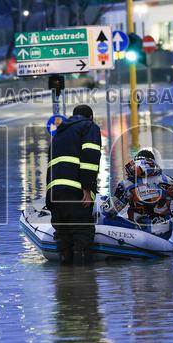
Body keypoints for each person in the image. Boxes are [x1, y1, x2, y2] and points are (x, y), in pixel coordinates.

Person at [46, 104, 102, 264]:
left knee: (63, 240)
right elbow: (90, 158)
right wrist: (87, 188)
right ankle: (82, 276)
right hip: (75, 193)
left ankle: (65, 278)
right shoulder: (89, 127)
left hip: (55, 195)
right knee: (82, 235)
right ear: (91, 117)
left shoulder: (58, 133)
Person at [102, 149, 173, 239]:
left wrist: (105, 203)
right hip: (165, 233)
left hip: (139, 234)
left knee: (105, 220)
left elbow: (109, 211)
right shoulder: (168, 180)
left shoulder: (127, 184)